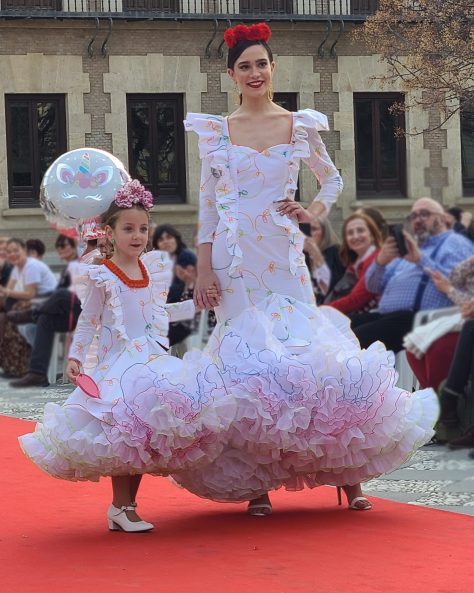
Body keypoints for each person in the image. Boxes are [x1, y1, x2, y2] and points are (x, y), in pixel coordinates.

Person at [171, 22, 438, 515]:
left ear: (274, 69)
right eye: (244, 66)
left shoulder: (299, 126)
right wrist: (205, 270)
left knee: (306, 354)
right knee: (245, 363)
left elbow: (331, 179)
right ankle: (257, 483)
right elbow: (207, 209)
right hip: (234, 262)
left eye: (261, 64)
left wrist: (311, 213)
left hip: (284, 255)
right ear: (231, 75)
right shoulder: (215, 133)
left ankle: (348, 473)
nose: (254, 73)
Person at [19, 180, 235, 532]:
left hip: (150, 360)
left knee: (142, 436)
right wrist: (74, 357)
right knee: (124, 433)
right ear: (109, 232)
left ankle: (125, 507)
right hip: (118, 365)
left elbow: (156, 314)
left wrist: (196, 305)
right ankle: (121, 507)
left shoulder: (151, 269)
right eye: (128, 228)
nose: (137, 236)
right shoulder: (103, 275)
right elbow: (88, 321)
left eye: (143, 228)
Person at [351, 198, 474, 353]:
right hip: (386, 317)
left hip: (419, 320)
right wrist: (380, 262)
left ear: (442, 219)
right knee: (338, 325)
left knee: (352, 339)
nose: (418, 220)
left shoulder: (456, 244)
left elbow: (453, 283)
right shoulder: (407, 247)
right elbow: (373, 286)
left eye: (424, 214)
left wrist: (420, 260)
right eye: (413, 216)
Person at [404, 256, 474, 392]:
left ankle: (442, 403)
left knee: (439, 348)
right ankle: (434, 398)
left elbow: (448, 287)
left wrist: (450, 291)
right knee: (414, 348)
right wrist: (469, 263)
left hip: (465, 319)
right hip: (463, 315)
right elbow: (451, 278)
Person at [0, 238, 56, 377]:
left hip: (47, 304)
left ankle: (24, 368)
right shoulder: (17, 268)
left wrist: (6, 292)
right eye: (9, 251)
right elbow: (7, 292)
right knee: (8, 319)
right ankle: (14, 367)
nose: (12, 254)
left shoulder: (31, 266)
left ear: (24, 250)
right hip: (32, 304)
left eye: (15, 250)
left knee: (12, 319)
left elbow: (30, 294)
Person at [152, 224, 196, 353]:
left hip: (187, 313)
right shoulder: (161, 261)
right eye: (161, 239)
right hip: (169, 311)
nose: (166, 242)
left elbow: (181, 290)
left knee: (156, 336)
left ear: (176, 239)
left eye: (169, 237)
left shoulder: (185, 257)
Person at [325, 213, 381, 315]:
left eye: (360, 230)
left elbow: (357, 299)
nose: (355, 236)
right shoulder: (354, 264)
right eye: (350, 233)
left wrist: (322, 311)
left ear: (372, 236)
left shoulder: (377, 259)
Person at [303, 217, 344, 303]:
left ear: (325, 232)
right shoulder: (302, 258)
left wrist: (315, 251)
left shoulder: (336, 251)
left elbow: (332, 285)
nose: (309, 234)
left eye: (314, 229)